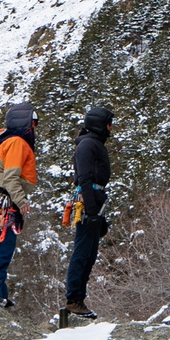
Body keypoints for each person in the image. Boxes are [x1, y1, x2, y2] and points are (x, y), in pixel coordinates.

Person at [57, 104, 114, 326]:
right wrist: (91, 211)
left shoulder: (92, 143)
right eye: (109, 123)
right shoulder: (88, 145)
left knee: (89, 252)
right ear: (100, 124)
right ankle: (74, 298)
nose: (111, 128)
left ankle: (78, 298)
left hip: (93, 202)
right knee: (83, 251)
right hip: (88, 202)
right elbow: (85, 180)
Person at [0, 103, 37, 308]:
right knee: (2, 248)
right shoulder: (17, 143)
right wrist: (21, 201)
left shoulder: (10, 141)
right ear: (25, 123)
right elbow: (11, 177)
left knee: (0, 247)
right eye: (34, 122)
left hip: (4, 202)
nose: (35, 127)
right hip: (7, 204)